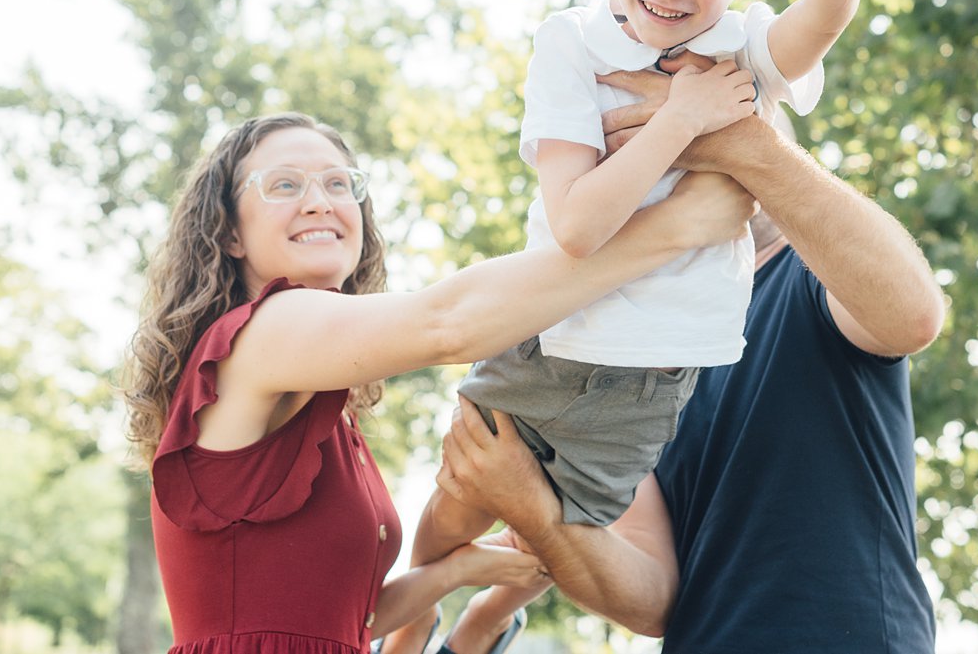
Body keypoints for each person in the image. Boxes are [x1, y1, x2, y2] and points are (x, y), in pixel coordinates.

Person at [385, 0, 876, 654]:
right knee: (451, 513)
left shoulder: (743, 47)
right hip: (553, 337)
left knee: (550, 539)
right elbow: (578, 226)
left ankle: (486, 627)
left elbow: (823, 18)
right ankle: (405, 641)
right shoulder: (574, 42)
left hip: (652, 383)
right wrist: (681, 118)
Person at [121, 111, 755, 654]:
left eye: (339, 184)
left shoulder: (318, 406)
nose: (319, 200)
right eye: (284, 184)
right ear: (229, 232)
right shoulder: (263, 332)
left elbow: (343, 621)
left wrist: (460, 570)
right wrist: (675, 227)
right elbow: (448, 324)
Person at [434, 65, 945, 653]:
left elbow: (912, 315)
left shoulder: (812, 278)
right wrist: (534, 512)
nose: (694, 131)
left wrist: (746, 146)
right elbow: (652, 598)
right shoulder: (621, 355)